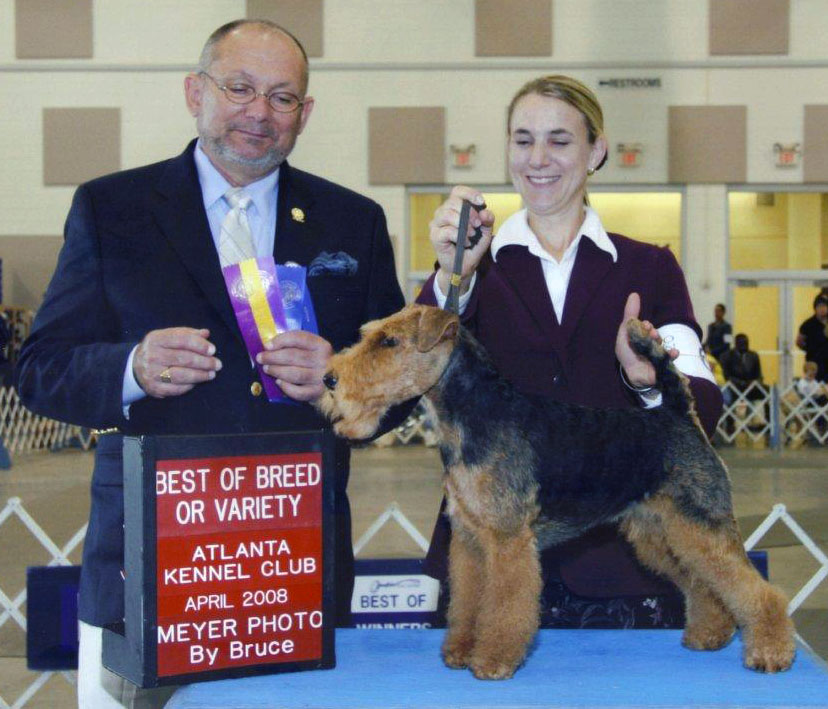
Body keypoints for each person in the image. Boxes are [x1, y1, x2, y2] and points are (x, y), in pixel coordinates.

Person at [14, 20, 405, 707]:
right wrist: (131, 366)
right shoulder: (111, 208)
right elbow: (41, 368)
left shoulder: (356, 222)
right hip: (150, 571)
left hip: (296, 574)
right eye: (240, 88)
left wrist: (343, 377)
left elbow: (403, 385)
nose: (260, 112)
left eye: (283, 97)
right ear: (195, 93)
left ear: (305, 114)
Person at [417, 75, 723, 629]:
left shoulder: (651, 268)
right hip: (485, 572)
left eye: (559, 140)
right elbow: (408, 379)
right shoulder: (469, 271)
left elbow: (704, 406)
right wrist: (447, 275)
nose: (538, 158)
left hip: (624, 577)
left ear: (596, 151)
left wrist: (648, 380)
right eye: (523, 139)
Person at [796, 294, 828, 382]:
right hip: (814, 362)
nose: (822, 309)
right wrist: (809, 349)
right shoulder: (808, 324)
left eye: (825, 306)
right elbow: (799, 342)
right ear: (815, 308)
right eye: (819, 306)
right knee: (815, 390)